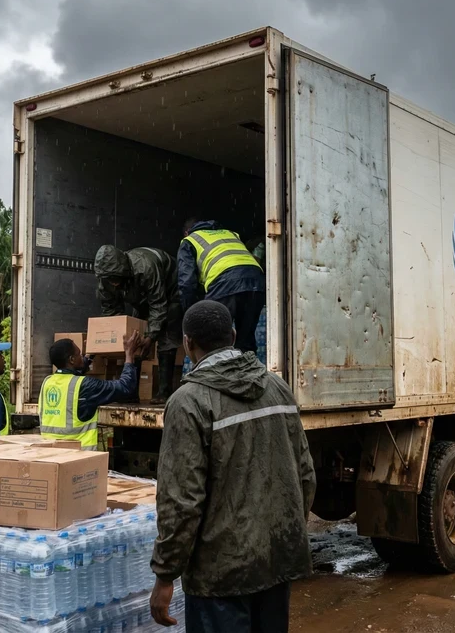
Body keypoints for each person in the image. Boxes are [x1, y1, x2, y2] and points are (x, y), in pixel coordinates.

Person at [150, 300, 315, 632]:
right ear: (235, 335)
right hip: (274, 564)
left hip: (219, 579)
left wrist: (165, 575)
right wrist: (280, 537)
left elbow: (182, 502)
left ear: (187, 343)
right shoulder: (277, 389)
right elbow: (304, 475)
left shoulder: (188, 403)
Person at [95, 245, 183, 404]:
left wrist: (150, 337)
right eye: (110, 280)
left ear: (124, 269)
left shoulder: (146, 268)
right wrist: (117, 337)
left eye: (116, 278)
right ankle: (130, 391)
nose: (114, 283)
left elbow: (158, 304)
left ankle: (164, 391)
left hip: (170, 292)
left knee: (166, 336)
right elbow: (110, 311)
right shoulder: (105, 280)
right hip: (142, 298)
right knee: (133, 336)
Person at [40, 332, 144, 449]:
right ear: (72, 359)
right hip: (80, 458)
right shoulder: (86, 385)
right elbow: (125, 386)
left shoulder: (47, 382)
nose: (82, 356)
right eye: (79, 354)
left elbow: (72, 373)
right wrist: (129, 354)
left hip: (52, 454)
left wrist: (92, 352)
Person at [178, 218, 265, 354]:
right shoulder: (230, 233)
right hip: (256, 281)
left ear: (186, 232)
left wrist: (192, 315)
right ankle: (247, 374)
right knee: (245, 342)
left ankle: (215, 374)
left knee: (211, 340)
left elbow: (187, 283)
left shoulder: (189, 240)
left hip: (225, 283)